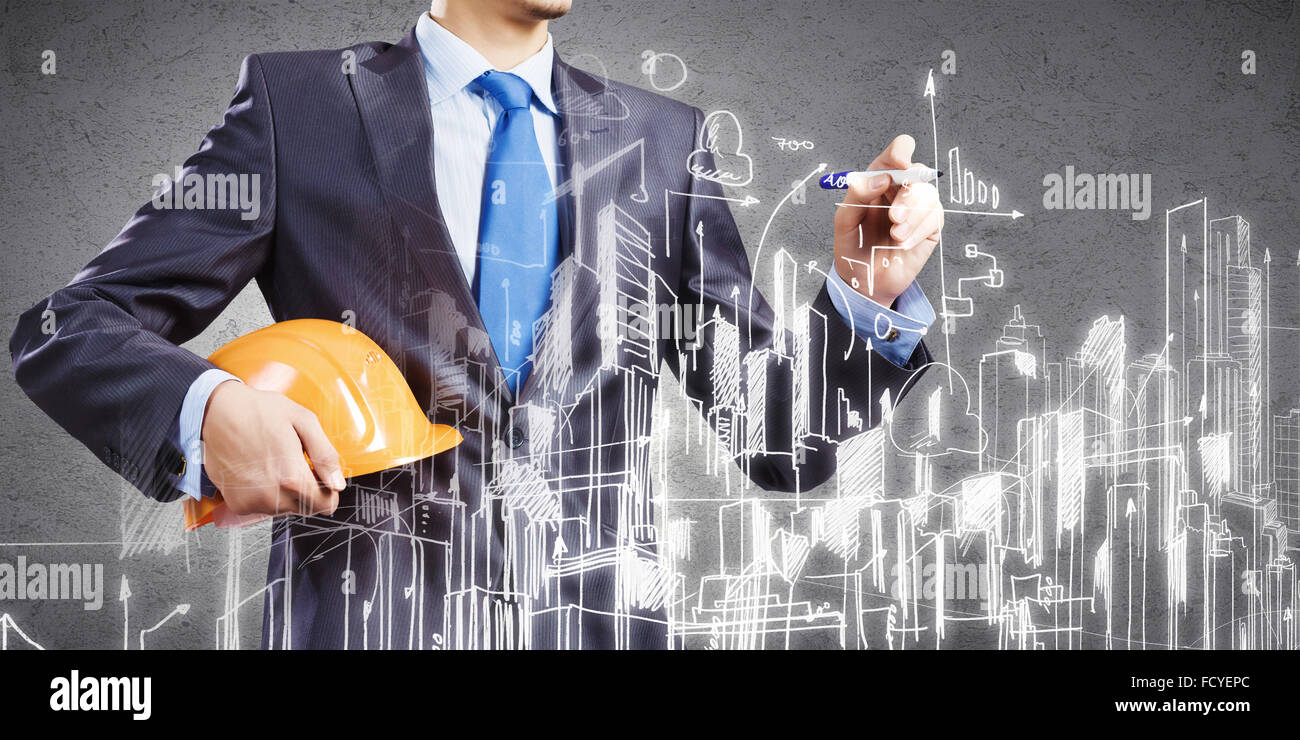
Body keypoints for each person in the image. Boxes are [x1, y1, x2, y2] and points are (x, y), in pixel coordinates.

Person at [9, 0, 944, 649]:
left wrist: (865, 291)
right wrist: (207, 412)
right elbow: (68, 326)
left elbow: (781, 440)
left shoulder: (661, 145)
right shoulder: (299, 110)